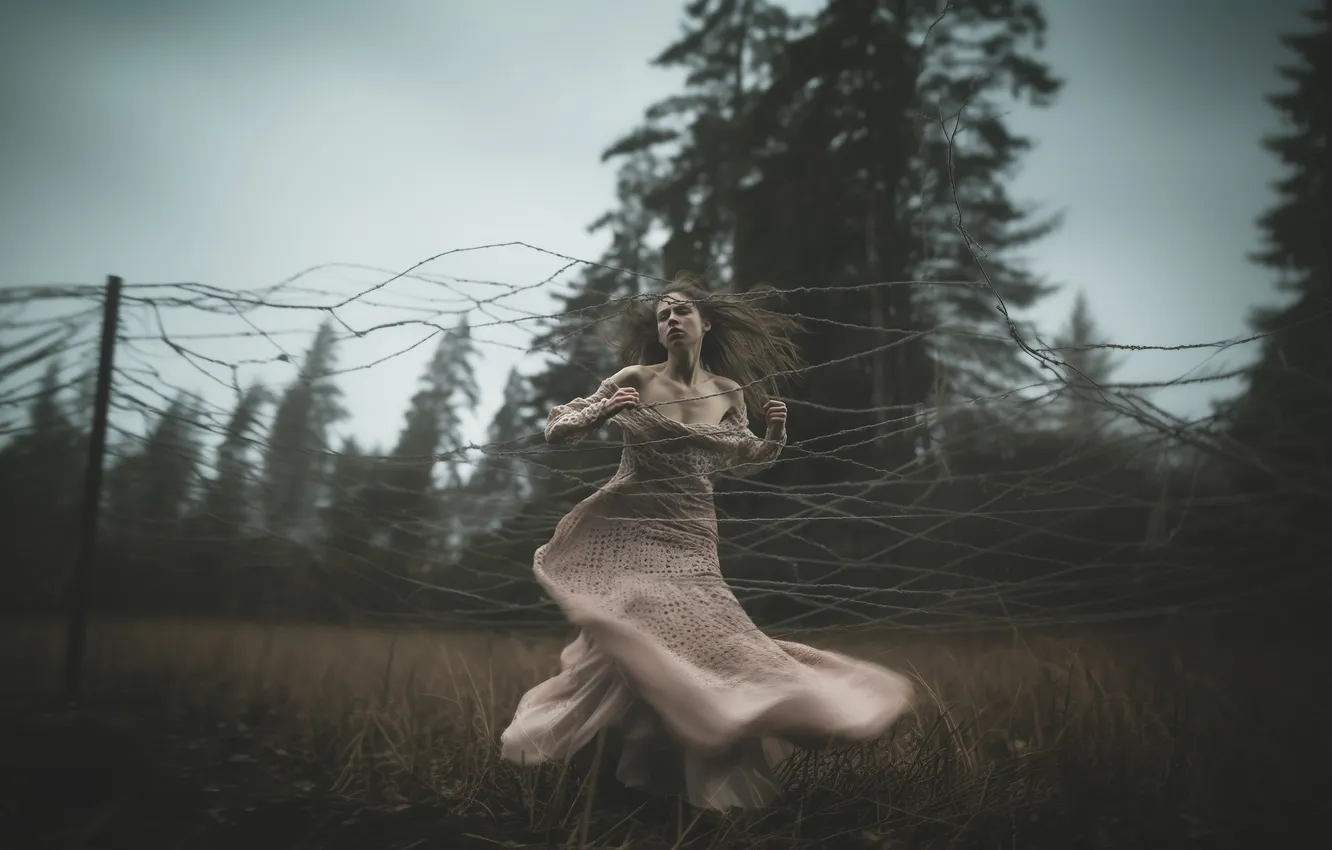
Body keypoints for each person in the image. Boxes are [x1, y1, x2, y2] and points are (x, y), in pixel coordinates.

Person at [499, 274, 913, 811]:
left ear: (705, 323)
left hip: (692, 533)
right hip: (629, 526)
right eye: (663, 315)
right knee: (633, 615)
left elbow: (747, 457)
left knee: (703, 638)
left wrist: (775, 435)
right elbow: (559, 432)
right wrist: (601, 411)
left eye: (681, 312)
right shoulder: (635, 378)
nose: (671, 320)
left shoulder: (729, 392)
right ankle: (607, 770)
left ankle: (662, 759)